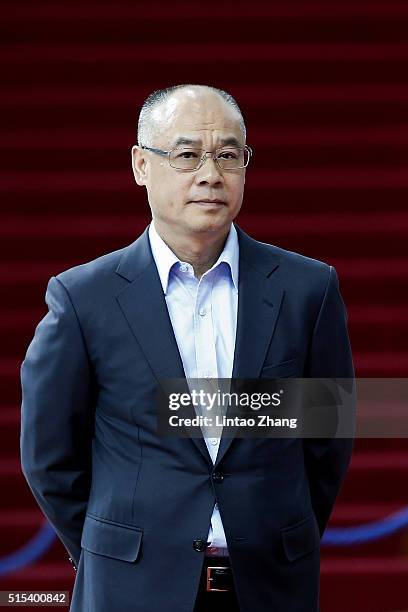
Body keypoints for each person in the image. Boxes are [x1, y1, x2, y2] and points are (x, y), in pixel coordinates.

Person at [20, 84, 354, 612]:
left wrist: (277, 532)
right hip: (132, 587)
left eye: (227, 155)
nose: (210, 174)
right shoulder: (84, 298)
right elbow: (49, 456)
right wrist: (117, 547)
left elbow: (326, 441)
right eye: (186, 155)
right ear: (140, 165)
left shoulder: (307, 290)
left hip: (269, 585)